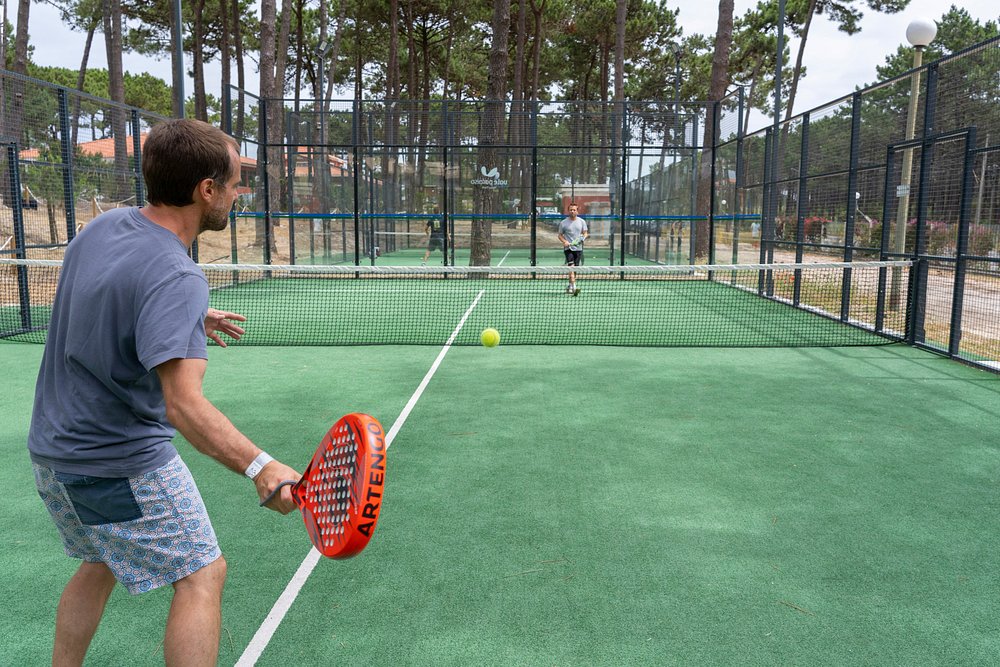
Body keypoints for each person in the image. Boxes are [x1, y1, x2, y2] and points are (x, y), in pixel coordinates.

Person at [27, 118, 300, 667]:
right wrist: (262, 467)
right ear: (206, 190)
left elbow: (110, 289)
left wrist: (185, 315)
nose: (238, 192)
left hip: (51, 451)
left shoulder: (104, 228)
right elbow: (184, 406)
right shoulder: (178, 276)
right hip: (114, 460)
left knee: (100, 561)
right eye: (234, 181)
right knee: (202, 574)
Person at [557, 203, 588, 296]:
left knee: (575, 269)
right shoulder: (563, 223)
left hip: (578, 249)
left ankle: (570, 285)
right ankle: (574, 286)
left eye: (574, 210)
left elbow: (585, 233)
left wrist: (582, 238)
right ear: (568, 211)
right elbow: (559, 235)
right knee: (571, 266)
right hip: (568, 249)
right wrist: (564, 242)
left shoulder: (582, 222)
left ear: (577, 211)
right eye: (571, 210)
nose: (572, 211)